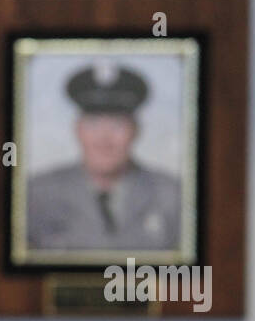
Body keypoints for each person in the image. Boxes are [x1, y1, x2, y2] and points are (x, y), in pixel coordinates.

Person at [25, 62, 182, 252]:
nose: (104, 139)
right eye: (93, 123)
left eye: (117, 124)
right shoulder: (36, 195)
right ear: (78, 130)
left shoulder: (172, 196)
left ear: (136, 131)